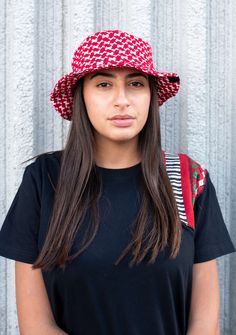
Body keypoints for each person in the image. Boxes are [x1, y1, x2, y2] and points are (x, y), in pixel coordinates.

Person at [0, 29, 235, 335]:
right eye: (104, 84)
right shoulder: (44, 181)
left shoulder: (189, 179)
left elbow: (205, 325)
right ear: (81, 96)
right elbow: (36, 326)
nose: (121, 100)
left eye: (136, 83)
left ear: (151, 95)